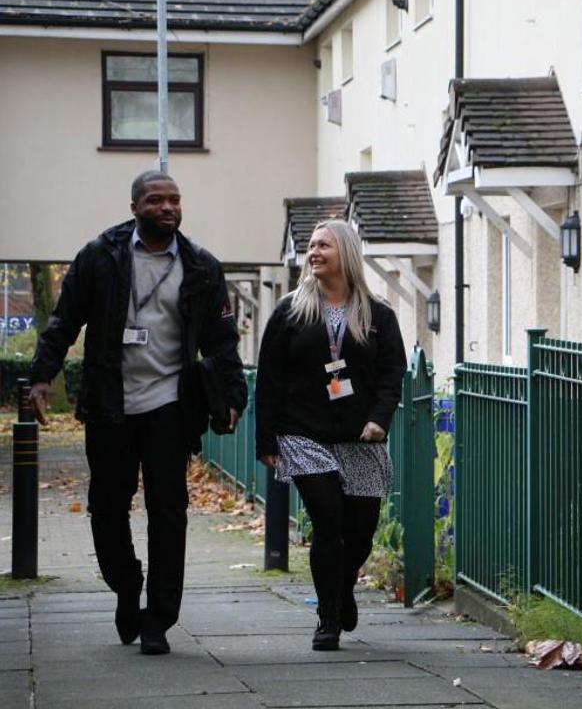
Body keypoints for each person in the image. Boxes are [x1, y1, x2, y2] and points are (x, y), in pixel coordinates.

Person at [29, 171, 247, 655]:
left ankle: (159, 620)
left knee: (169, 512)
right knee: (107, 508)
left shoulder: (201, 267)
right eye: (156, 200)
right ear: (134, 207)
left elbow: (221, 340)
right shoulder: (100, 257)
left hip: (171, 406)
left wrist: (232, 396)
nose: (168, 207)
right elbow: (64, 321)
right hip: (110, 404)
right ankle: (127, 585)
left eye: (174, 199)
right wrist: (42, 375)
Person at [255, 219, 407, 651]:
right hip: (303, 433)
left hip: (361, 436)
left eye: (324, 245)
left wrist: (380, 418)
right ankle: (328, 619)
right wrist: (266, 440)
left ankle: (343, 588)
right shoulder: (290, 311)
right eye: (311, 245)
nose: (314, 251)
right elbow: (269, 377)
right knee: (328, 520)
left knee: (359, 532)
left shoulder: (378, 315)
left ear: (346, 252)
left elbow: (392, 373)